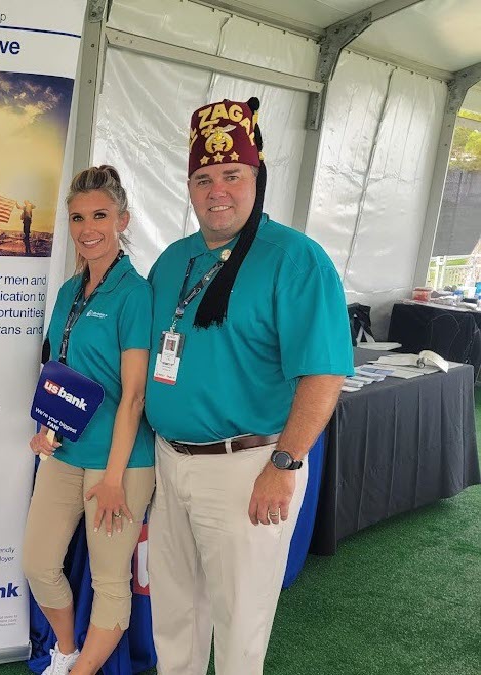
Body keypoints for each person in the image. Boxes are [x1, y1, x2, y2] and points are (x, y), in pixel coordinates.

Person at [145, 98, 353, 675]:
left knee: (239, 628)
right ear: (189, 186)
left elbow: (325, 373)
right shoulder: (173, 261)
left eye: (232, 176)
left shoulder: (296, 259)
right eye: (204, 178)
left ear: (257, 179)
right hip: (170, 460)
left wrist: (284, 465)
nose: (218, 191)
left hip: (249, 466)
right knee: (176, 616)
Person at [22, 166, 156, 675]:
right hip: (65, 453)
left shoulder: (133, 293)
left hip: (119, 463)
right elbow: (60, 371)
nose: (87, 228)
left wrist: (116, 479)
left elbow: (134, 396)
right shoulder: (68, 292)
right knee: (37, 561)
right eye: (77, 217)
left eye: (100, 215)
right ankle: (66, 650)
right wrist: (48, 426)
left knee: (109, 581)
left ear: (123, 220)